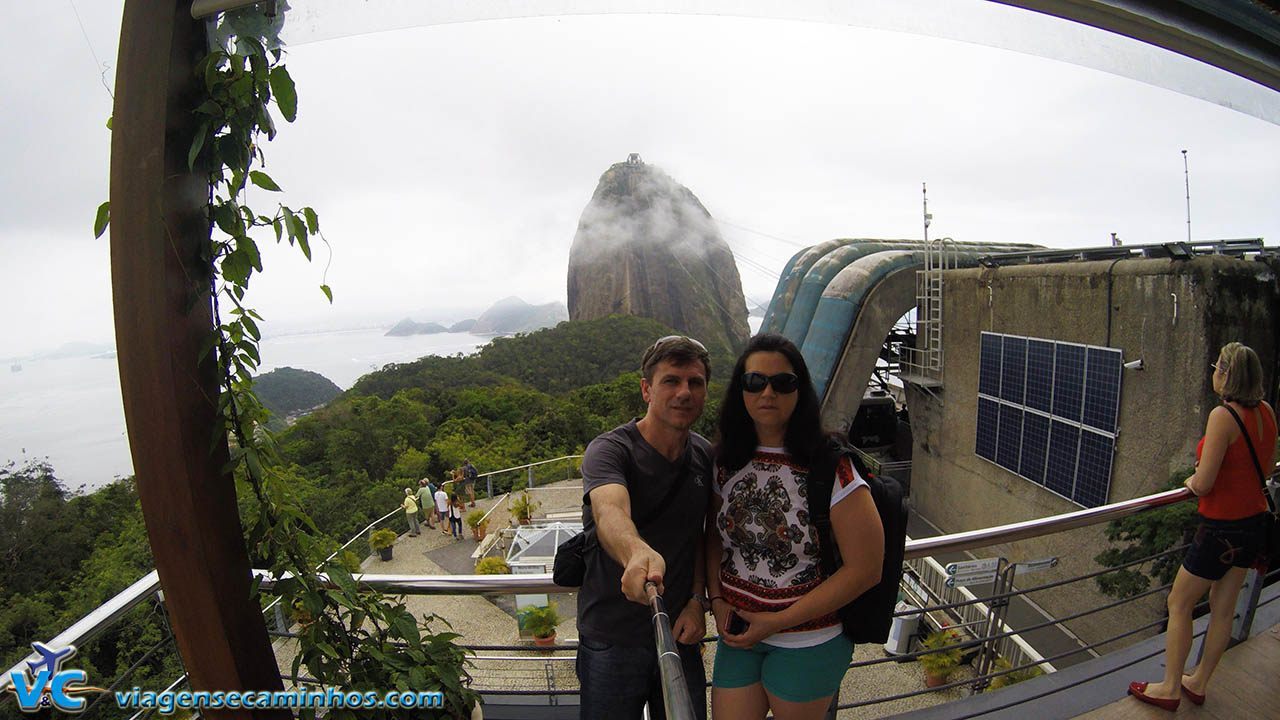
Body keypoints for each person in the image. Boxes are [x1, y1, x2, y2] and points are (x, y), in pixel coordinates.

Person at [706, 333, 884, 720]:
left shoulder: (831, 467)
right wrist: (717, 600)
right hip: (738, 634)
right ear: (741, 391)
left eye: (782, 383)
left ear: (800, 390)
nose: (767, 392)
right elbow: (715, 540)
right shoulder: (726, 461)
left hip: (809, 638)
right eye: (754, 382)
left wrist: (776, 622)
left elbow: (866, 569)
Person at [1129, 342, 1276, 711]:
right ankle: (1198, 681)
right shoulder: (1267, 413)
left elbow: (1205, 482)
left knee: (1179, 602)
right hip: (1253, 524)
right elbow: (1263, 464)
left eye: (1216, 367)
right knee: (1223, 609)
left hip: (1220, 529)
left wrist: (1193, 480)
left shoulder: (1223, 416)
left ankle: (1170, 687)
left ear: (1225, 374)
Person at [575, 335, 714, 720]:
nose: (684, 392)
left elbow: (701, 535)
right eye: (671, 381)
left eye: (695, 382)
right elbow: (609, 510)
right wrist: (635, 551)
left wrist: (696, 600)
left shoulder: (704, 454)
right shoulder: (610, 451)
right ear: (646, 389)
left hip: (680, 634)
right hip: (611, 638)